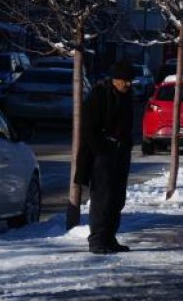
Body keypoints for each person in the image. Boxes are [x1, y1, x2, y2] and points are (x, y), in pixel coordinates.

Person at [77, 61, 136, 254]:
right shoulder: (99, 95)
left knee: (117, 199)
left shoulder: (127, 97)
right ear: (115, 79)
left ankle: (109, 238)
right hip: (102, 155)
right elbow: (88, 129)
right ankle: (98, 240)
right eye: (124, 81)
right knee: (103, 198)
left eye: (130, 81)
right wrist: (103, 148)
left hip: (120, 153)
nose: (128, 84)